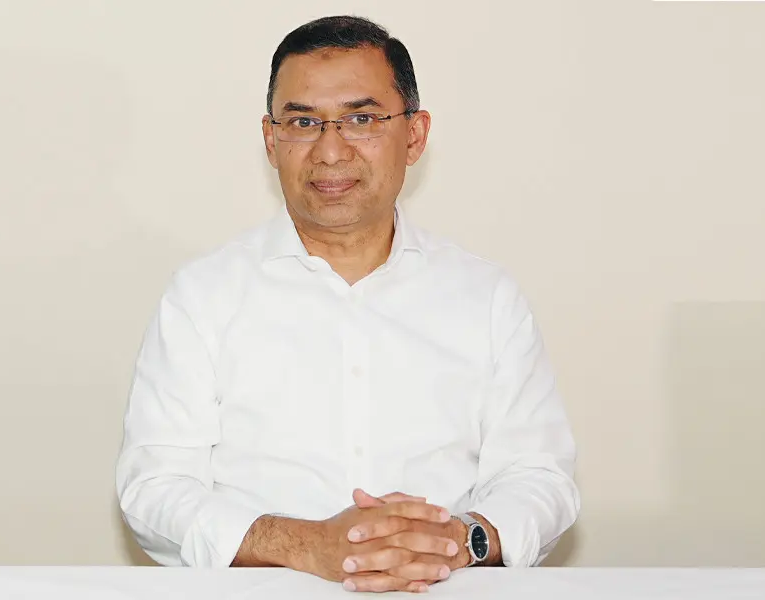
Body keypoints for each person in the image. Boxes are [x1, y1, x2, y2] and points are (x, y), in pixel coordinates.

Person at [115, 15, 580, 594]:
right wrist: (308, 546)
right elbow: (154, 489)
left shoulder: (485, 297)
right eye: (303, 122)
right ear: (271, 140)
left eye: (361, 119)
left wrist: (459, 541)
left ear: (415, 135)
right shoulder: (203, 296)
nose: (330, 151)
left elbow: (540, 477)